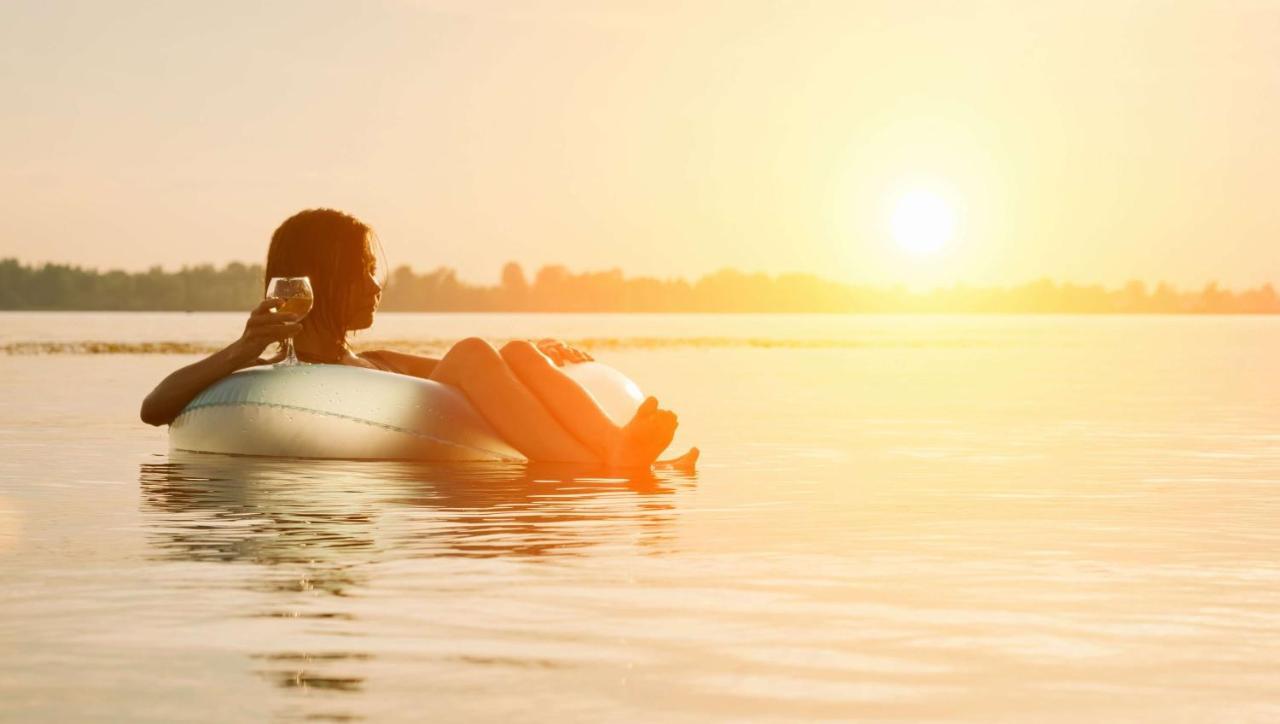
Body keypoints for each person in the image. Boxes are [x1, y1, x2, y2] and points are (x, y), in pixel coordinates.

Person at [140, 208, 690, 468]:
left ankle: (614, 448)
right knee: (476, 351)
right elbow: (154, 407)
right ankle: (611, 460)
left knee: (514, 352)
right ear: (321, 279)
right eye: (361, 270)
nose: (376, 285)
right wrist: (244, 349)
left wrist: (536, 355)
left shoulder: (376, 362)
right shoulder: (278, 372)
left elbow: (486, 375)